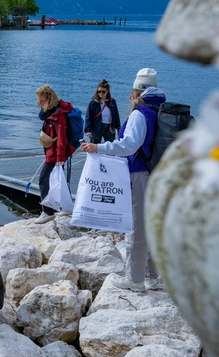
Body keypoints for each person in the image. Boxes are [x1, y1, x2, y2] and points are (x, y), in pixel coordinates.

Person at [79, 68, 164, 292]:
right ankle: (152, 278)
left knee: (136, 227)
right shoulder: (160, 109)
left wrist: (99, 148)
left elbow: (129, 145)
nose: (129, 96)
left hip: (139, 174)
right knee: (152, 226)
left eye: (132, 91)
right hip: (157, 174)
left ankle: (134, 280)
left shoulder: (140, 113)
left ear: (136, 92)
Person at [35, 85, 77, 224]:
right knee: (56, 181)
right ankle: (61, 207)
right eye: (38, 100)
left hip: (55, 154)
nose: (39, 103)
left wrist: (60, 158)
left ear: (49, 99)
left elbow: (61, 138)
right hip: (52, 152)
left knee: (43, 180)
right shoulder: (50, 112)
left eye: (41, 101)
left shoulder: (58, 116)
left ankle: (47, 212)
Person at [85, 79, 121, 144]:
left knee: (112, 146)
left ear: (107, 92)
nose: (101, 93)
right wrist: (88, 130)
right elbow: (88, 117)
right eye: (99, 91)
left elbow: (116, 116)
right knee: (94, 146)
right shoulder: (93, 103)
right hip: (97, 127)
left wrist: (119, 128)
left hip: (109, 127)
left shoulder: (112, 102)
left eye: (103, 92)